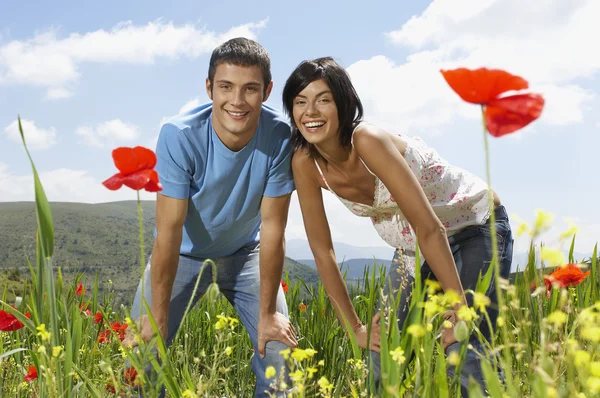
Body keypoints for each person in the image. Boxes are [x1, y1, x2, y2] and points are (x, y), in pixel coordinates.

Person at [282, 57, 513, 395]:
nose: (310, 112)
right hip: (413, 246)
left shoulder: (367, 141)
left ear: (344, 104)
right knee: (380, 347)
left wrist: (458, 308)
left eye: (323, 100)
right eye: (300, 102)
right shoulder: (305, 162)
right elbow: (322, 248)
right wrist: (355, 328)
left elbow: (430, 228)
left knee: (464, 345)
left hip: (473, 225)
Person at [124, 38, 298, 397]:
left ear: (266, 91)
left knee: (280, 348)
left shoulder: (280, 137)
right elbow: (168, 233)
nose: (237, 100)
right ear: (209, 88)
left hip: (245, 254)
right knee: (140, 353)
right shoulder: (179, 136)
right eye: (226, 87)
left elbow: (274, 229)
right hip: (183, 254)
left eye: (250, 89)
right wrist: (158, 318)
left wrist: (268, 315)